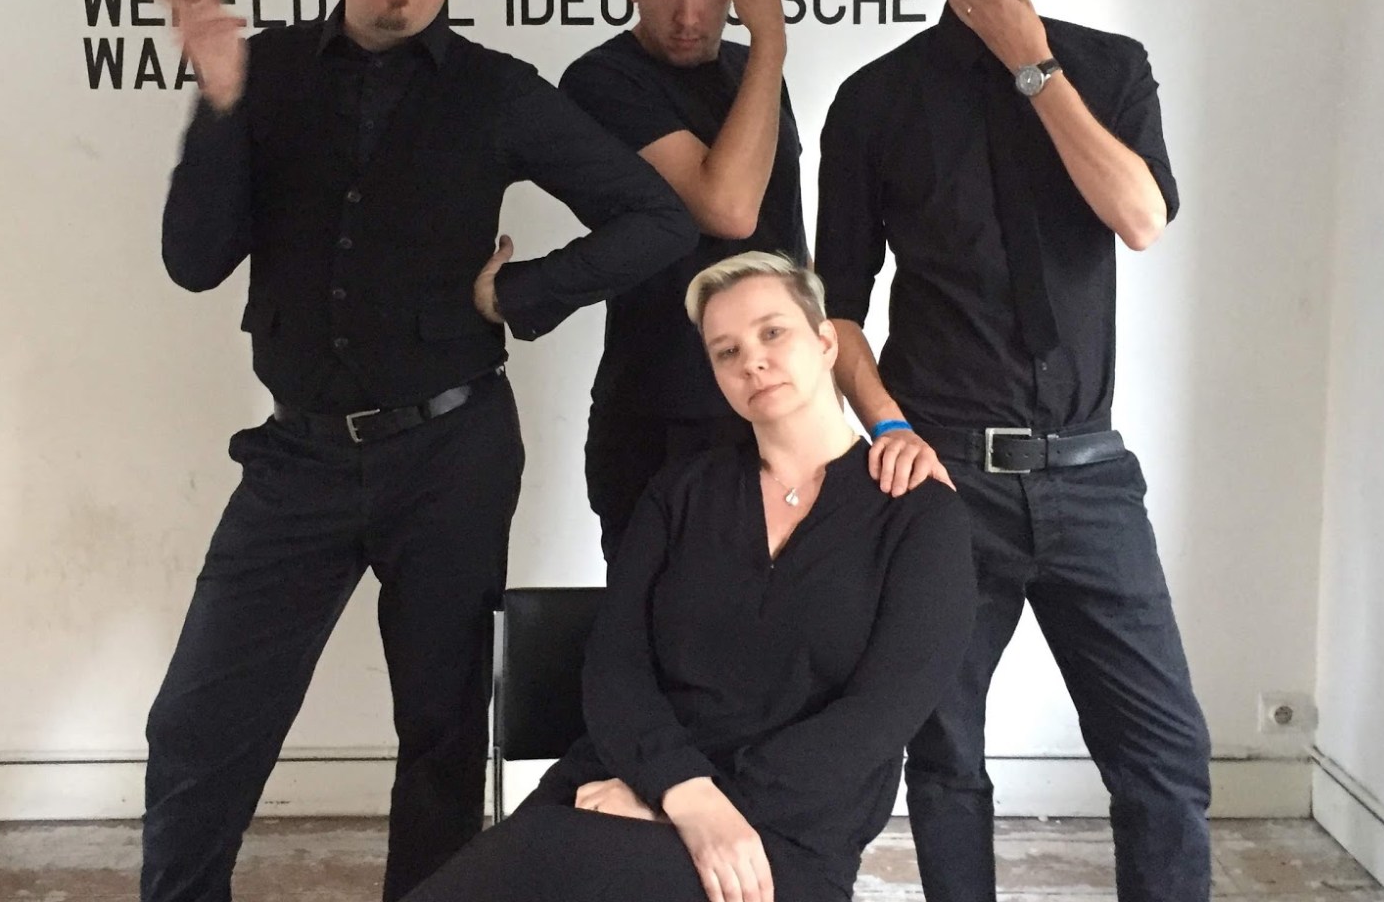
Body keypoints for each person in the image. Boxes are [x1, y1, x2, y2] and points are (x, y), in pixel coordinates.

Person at [144, 0, 697, 902]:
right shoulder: (262, 75)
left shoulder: (499, 93)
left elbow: (656, 218)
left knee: (441, 734)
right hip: (297, 460)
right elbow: (192, 261)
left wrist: (523, 293)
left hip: (451, 455)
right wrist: (216, 104)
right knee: (199, 724)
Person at [814, 0, 1211, 902]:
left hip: (1089, 472)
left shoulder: (1110, 70)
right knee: (945, 760)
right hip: (944, 477)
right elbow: (835, 312)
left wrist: (1031, 64)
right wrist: (888, 430)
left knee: (1164, 757)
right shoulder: (874, 103)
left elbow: (1138, 217)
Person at [406, 252, 975, 902]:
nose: (752, 361)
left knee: (530, 861)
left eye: (772, 332)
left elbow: (877, 718)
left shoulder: (920, 516)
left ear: (825, 343)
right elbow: (615, 666)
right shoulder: (681, 492)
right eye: (726, 351)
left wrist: (699, 813)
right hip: (622, 785)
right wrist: (681, 794)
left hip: (783, 833)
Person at [559, 0, 810, 561]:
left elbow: (788, 240)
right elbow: (728, 209)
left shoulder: (753, 71)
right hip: (661, 420)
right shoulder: (602, 80)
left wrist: (820, 396)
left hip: (774, 414)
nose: (689, 14)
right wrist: (771, 40)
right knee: (654, 622)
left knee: (786, 620)